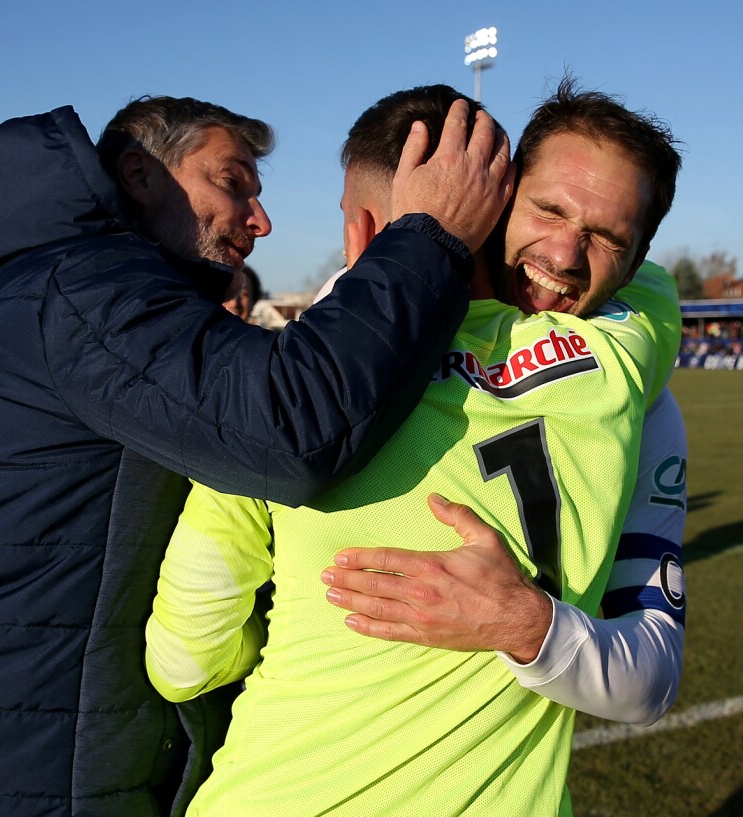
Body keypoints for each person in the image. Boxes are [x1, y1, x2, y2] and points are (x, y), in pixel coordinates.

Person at [0, 95, 514, 817]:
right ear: (139, 174)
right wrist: (429, 237)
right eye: (232, 183)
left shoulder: (84, 283)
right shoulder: (88, 286)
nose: (260, 220)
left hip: (7, 732)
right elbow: (289, 423)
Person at [145, 81, 683, 815]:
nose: (564, 251)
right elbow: (654, 288)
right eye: (550, 210)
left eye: (606, 237)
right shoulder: (633, 353)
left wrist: (522, 623)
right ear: (497, 201)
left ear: (363, 230)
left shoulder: (279, 393)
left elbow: (184, 659)